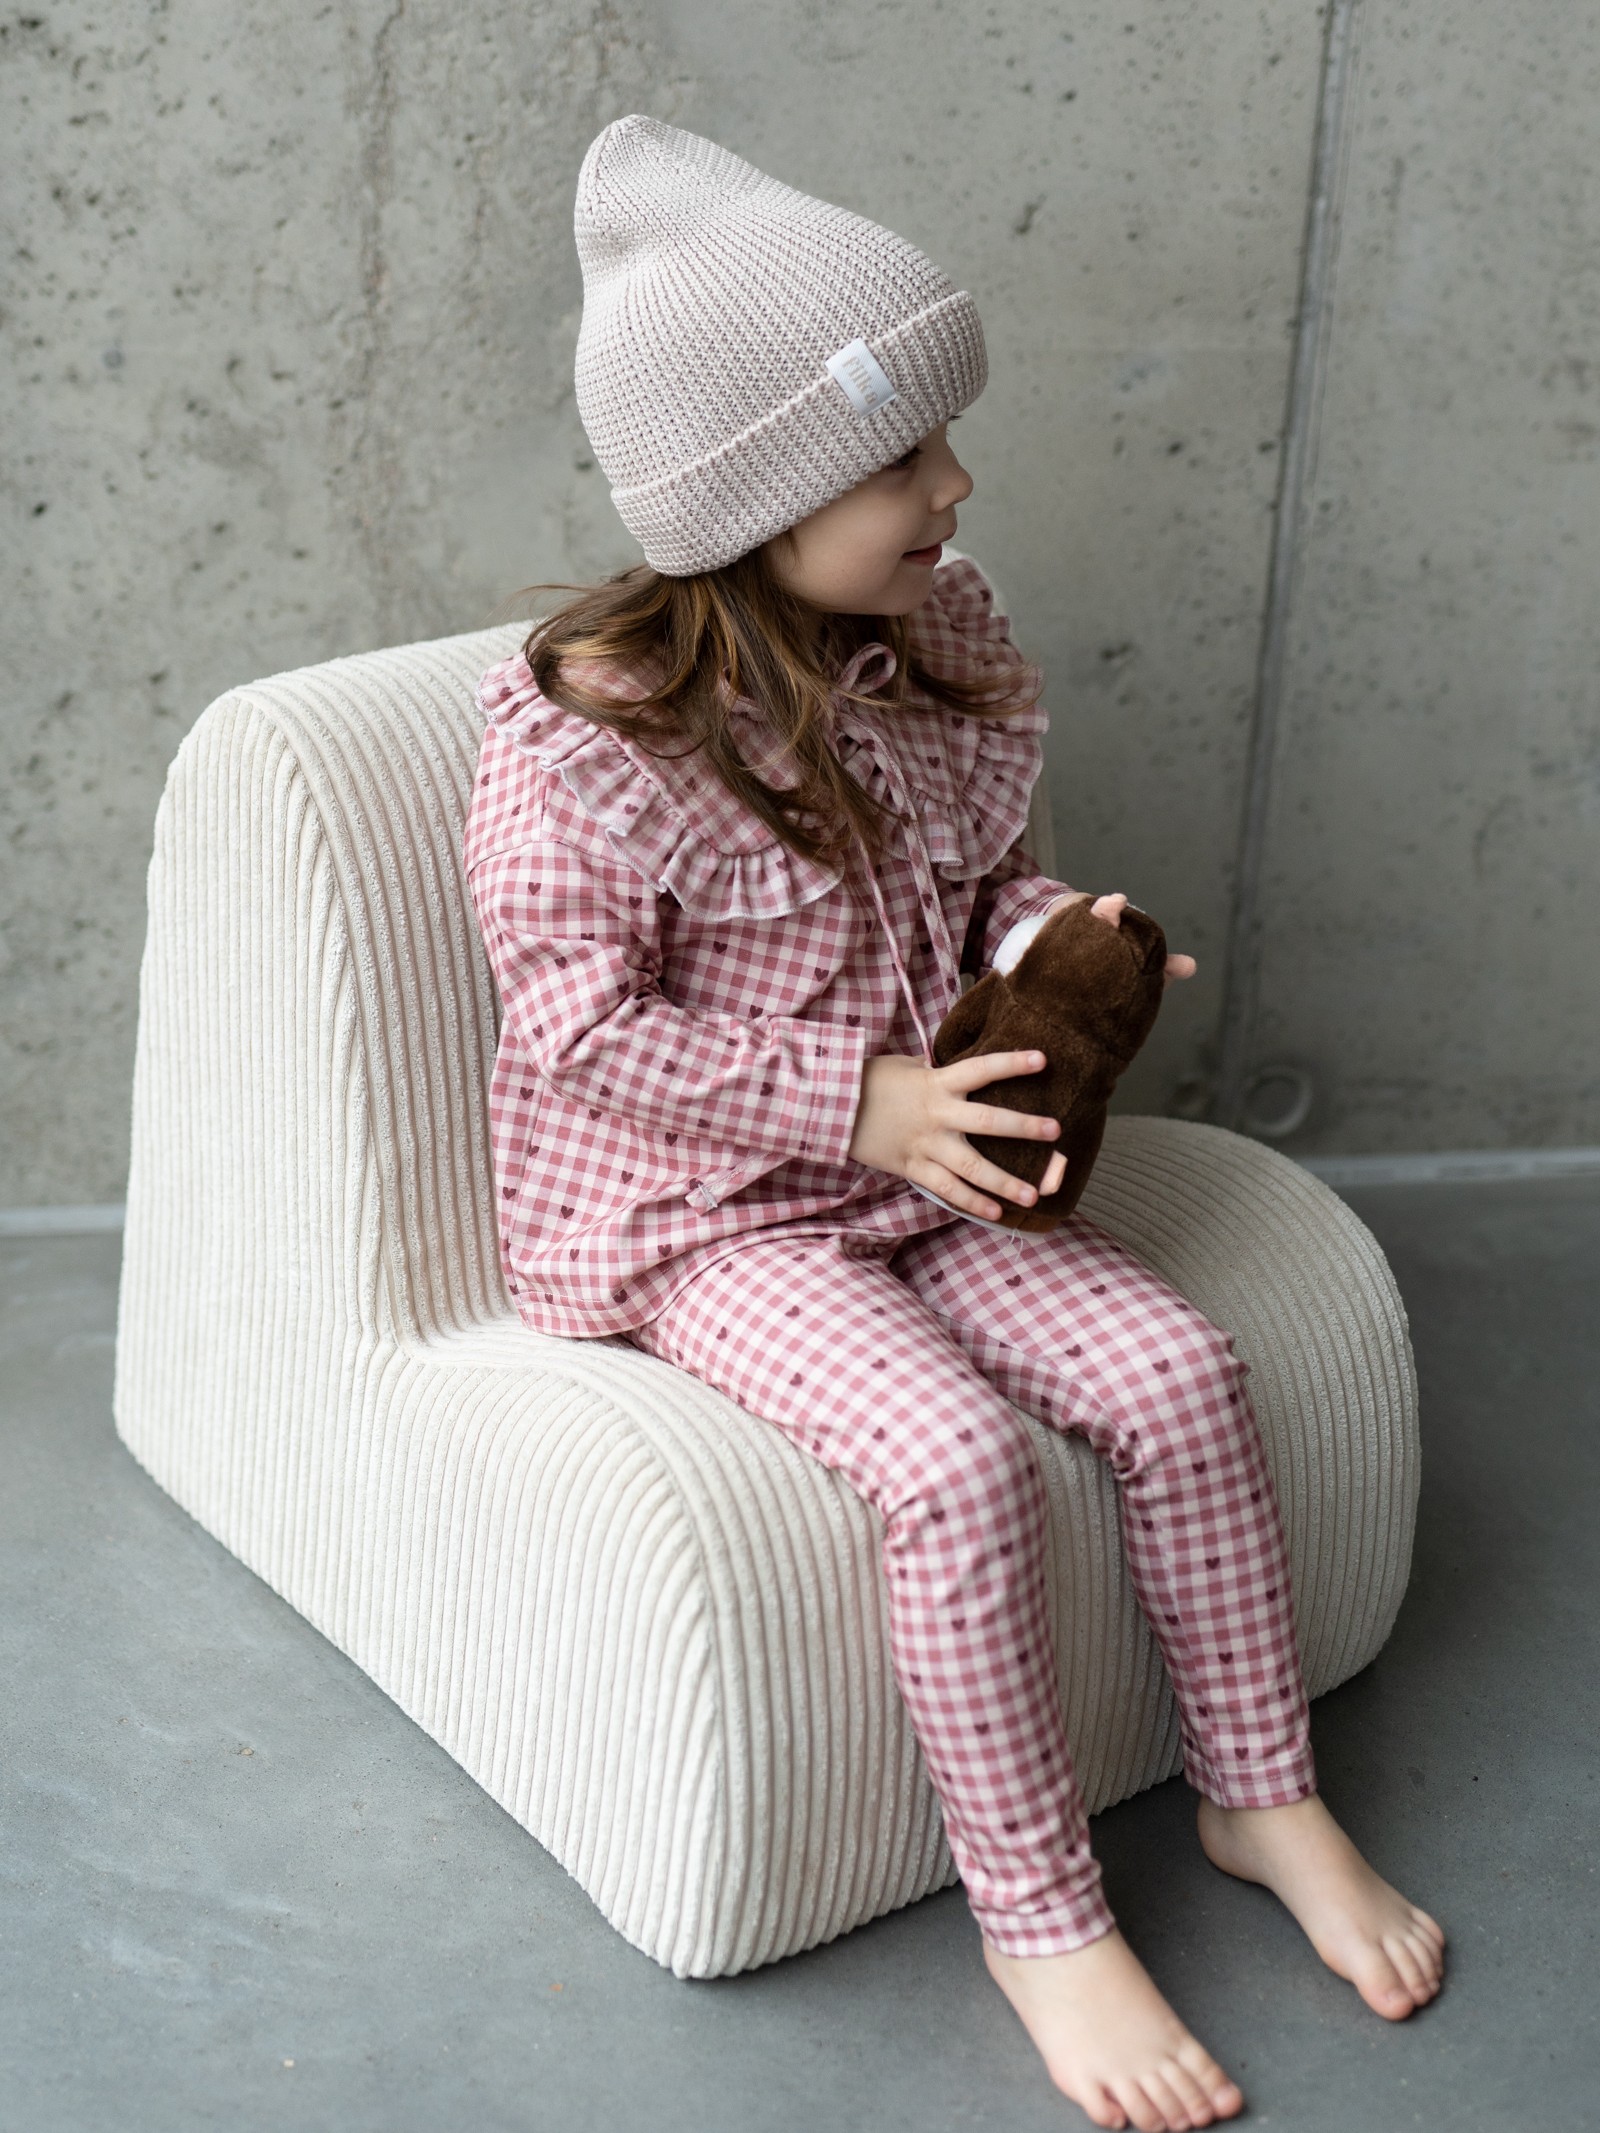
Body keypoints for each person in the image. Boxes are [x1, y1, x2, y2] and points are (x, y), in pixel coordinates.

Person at [463, 115, 1444, 2132]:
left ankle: (1261, 1792)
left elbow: (964, 885)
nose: (954, 485)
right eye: (904, 454)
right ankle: (1041, 1915)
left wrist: (1048, 939)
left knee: (1177, 1373)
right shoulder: (588, 740)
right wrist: (859, 1100)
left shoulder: (921, 645)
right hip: (719, 1208)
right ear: (758, 496)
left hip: (935, 1158)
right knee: (953, 1464)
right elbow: (574, 1023)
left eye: (943, 444)